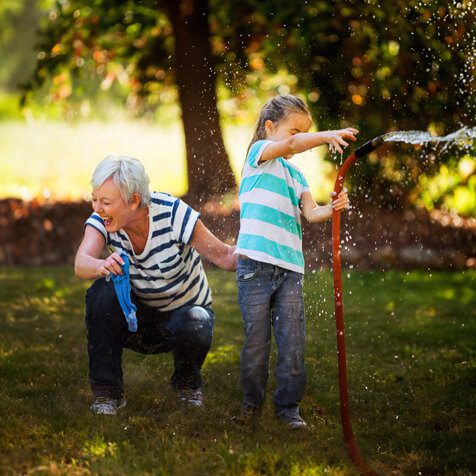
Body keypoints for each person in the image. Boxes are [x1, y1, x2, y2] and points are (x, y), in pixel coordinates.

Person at [75, 155, 236, 415]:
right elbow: (81, 263)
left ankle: (187, 386)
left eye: (105, 202)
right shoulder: (103, 221)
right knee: (100, 293)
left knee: (196, 319)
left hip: (184, 319)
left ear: (134, 200)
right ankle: (107, 395)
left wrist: (265, 250)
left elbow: (225, 256)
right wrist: (100, 266)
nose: (97, 208)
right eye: (95, 199)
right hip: (136, 320)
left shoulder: (172, 213)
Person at [234, 94, 358, 429]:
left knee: (292, 343)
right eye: (293, 132)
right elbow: (297, 144)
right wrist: (324, 135)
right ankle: (251, 403)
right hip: (254, 268)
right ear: (270, 127)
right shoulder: (258, 155)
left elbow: (311, 213)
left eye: (303, 133)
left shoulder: (297, 177)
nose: (297, 140)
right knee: (256, 343)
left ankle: (288, 408)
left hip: (289, 270)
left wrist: (332, 208)